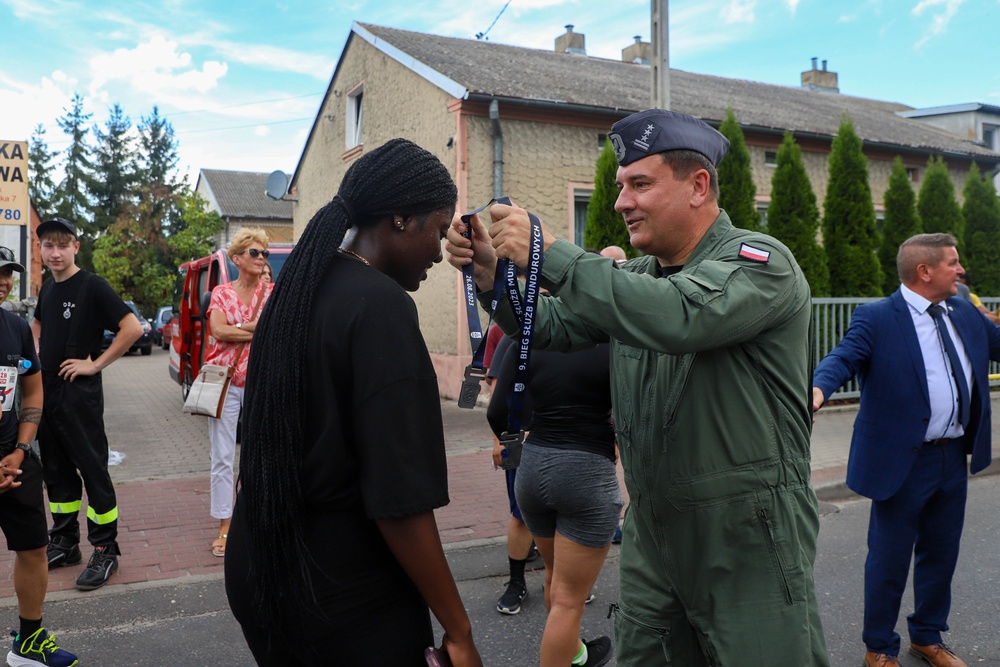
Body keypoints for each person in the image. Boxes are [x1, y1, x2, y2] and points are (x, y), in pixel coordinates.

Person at [447, 108, 830, 666]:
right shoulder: (637, 278)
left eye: (640, 184)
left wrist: (550, 252)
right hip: (653, 529)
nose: (622, 200)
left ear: (698, 186)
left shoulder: (761, 263)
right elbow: (552, 328)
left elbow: (680, 316)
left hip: (747, 536)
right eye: (621, 185)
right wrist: (489, 272)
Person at [225, 138, 482, 667]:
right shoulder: (381, 308)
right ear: (401, 220)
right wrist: (459, 630)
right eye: (437, 229)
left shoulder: (297, 292)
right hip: (342, 592)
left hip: (262, 566)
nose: (438, 252)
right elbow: (400, 501)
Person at [813, 233, 1000, 667]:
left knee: (942, 553)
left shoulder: (962, 311)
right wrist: (818, 390)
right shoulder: (878, 317)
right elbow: (843, 357)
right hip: (902, 461)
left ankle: (927, 637)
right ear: (925, 271)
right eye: (953, 263)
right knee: (889, 560)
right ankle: (879, 647)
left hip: (952, 456)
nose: (961, 270)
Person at [488, 336, 618, 667]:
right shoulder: (610, 337)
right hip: (585, 468)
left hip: (532, 468)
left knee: (554, 576)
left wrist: (515, 447)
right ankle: (567, 653)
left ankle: (574, 653)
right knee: (569, 601)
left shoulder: (529, 335)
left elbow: (498, 410)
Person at [31, 217, 142, 592]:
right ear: (41, 249)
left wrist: (94, 363)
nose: (56, 252)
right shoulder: (47, 289)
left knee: (93, 470)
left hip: (79, 396)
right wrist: (33, 357)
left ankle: (105, 548)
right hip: (47, 394)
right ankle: (64, 541)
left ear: (76, 246)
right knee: (57, 471)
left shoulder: (93, 286)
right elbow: (37, 326)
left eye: (63, 245)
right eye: (49, 246)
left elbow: (133, 328)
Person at [0, 247, 79, 666]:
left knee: (33, 548)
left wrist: (20, 448)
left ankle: (28, 645)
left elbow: (32, 389)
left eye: (8, 273)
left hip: (13, 459)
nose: (3, 280)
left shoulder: (15, 327)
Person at [204, 228, 273, 558]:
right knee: (222, 457)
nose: (261, 258)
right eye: (255, 253)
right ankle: (224, 524)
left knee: (261, 453)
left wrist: (238, 332)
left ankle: (259, 518)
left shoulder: (272, 293)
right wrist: (255, 331)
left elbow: (273, 330)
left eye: (264, 254)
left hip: (260, 381)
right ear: (237, 259)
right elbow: (216, 329)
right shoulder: (221, 292)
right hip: (225, 382)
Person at [483, 328, 537, 616]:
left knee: (561, 513)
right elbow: (497, 390)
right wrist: (497, 440)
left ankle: (564, 580)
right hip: (517, 437)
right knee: (520, 516)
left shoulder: (574, 327)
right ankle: (517, 583)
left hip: (561, 435)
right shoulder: (514, 333)